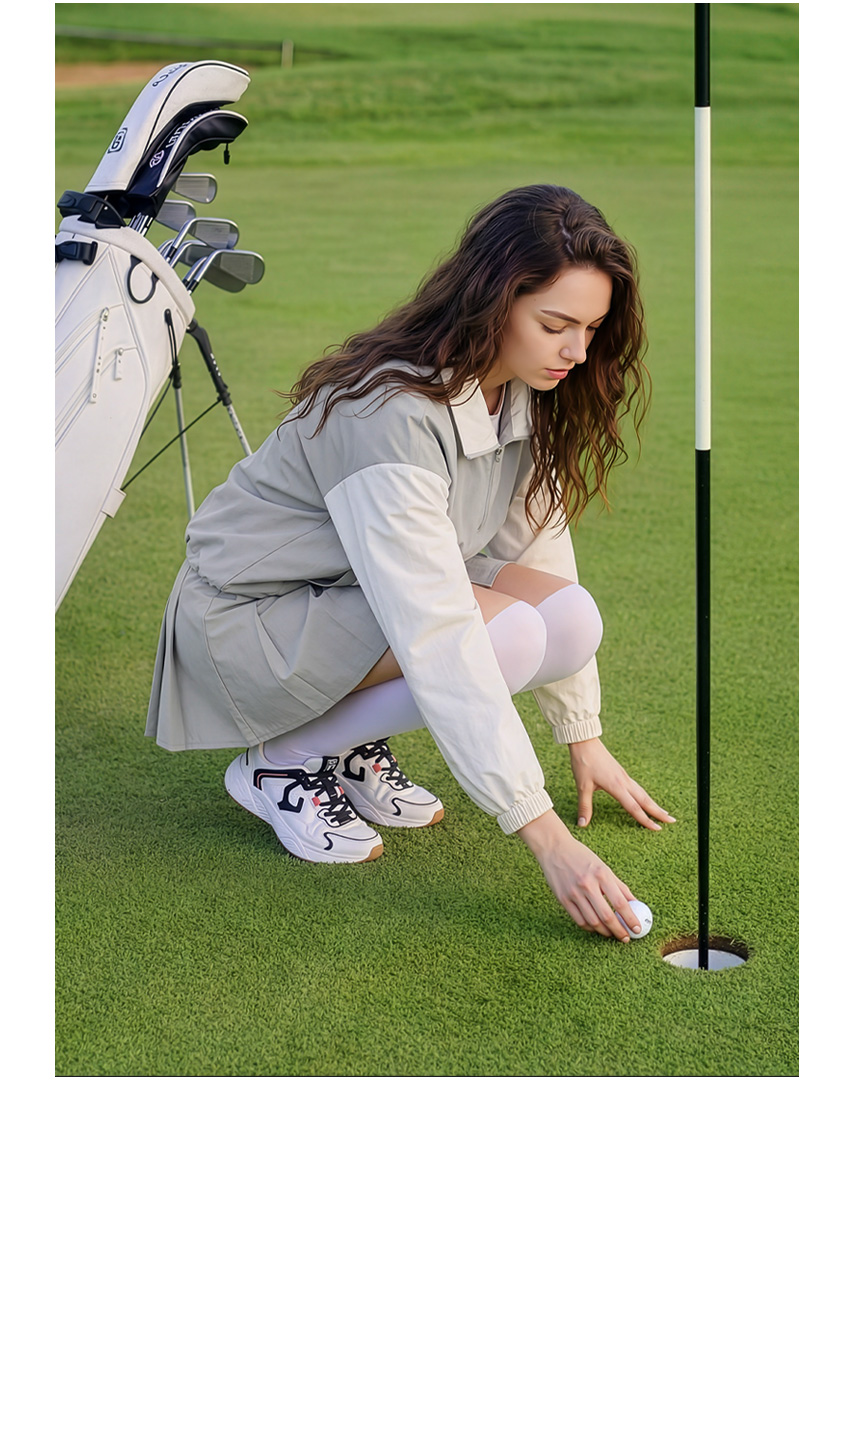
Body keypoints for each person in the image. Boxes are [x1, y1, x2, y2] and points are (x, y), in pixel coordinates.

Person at [146, 184, 675, 942]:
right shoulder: (388, 414)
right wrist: (544, 832)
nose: (578, 352)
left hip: (348, 602)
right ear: (493, 300)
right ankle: (282, 762)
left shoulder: (519, 390)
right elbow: (435, 628)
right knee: (507, 633)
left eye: (591, 328)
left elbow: (540, 550)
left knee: (568, 618)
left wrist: (581, 733)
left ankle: (344, 739)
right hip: (246, 623)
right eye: (555, 325)